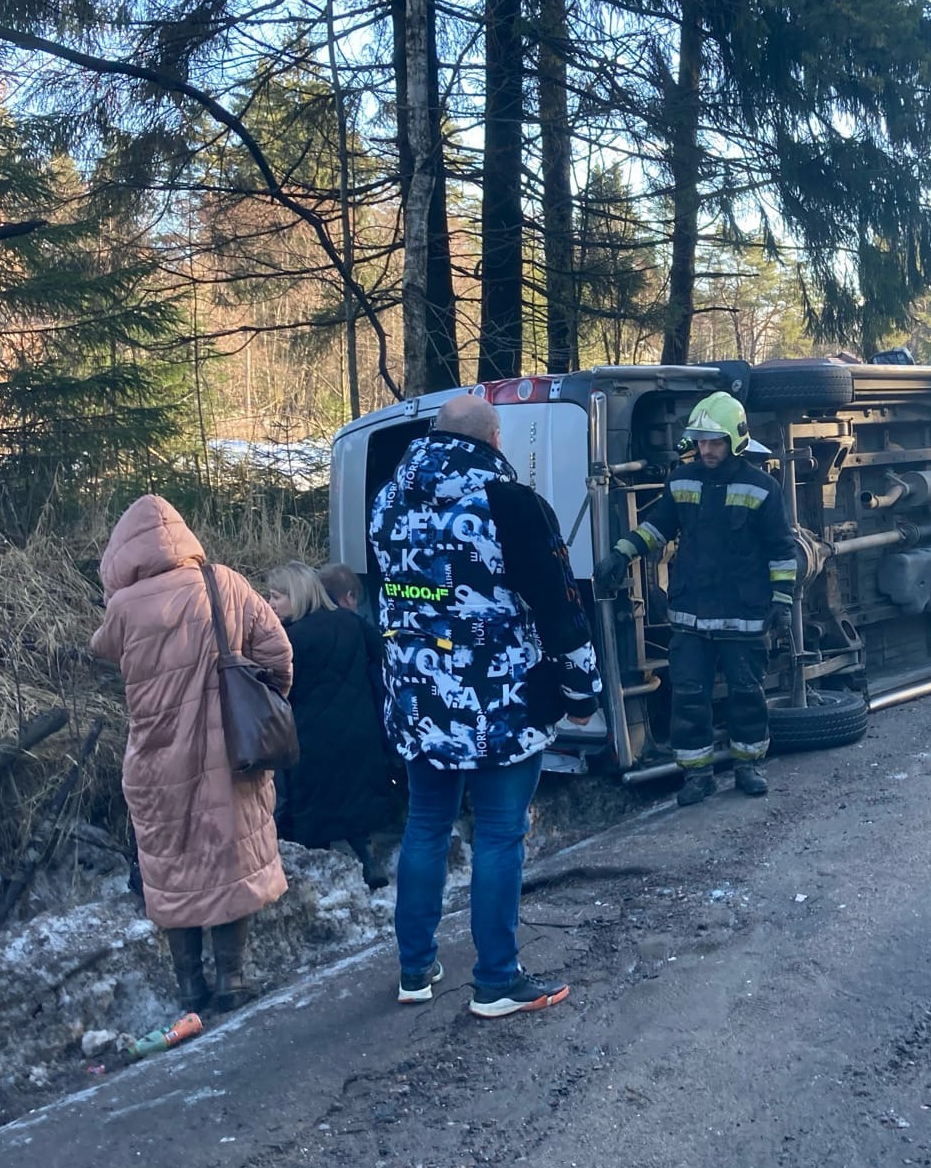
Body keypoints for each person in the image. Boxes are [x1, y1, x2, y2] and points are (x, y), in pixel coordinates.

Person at [369, 395, 600, 1018]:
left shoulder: (388, 501)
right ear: (494, 440)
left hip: (420, 700)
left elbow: (398, 592)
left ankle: (415, 970)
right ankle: (496, 980)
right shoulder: (512, 504)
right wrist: (582, 692)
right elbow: (560, 606)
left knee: (426, 826)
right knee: (500, 835)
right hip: (501, 702)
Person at [91, 496, 293, 1014]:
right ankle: (233, 979)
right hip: (229, 747)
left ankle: (189, 986)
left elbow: (102, 649)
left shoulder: (123, 607)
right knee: (230, 857)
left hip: (156, 756)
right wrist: (261, 698)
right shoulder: (223, 582)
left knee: (172, 866)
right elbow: (278, 651)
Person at [593, 392, 796, 807]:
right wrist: (622, 552)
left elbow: (781, 549)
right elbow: (658, 527)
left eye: (714, 442)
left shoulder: (762, 488)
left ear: (736, 439)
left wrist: (783, 600)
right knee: (688, 696)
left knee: (746, 694)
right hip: (690, 615)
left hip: (743, 615)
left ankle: (747, 766)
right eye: (700, 441)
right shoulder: (681, 480)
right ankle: (697, 774)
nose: (705, 449)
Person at [263, 562, 397, 890]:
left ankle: (324, 885)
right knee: (354, 804)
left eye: (276, 596)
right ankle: (367, 861)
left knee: (314, 815)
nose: (270, 604)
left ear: (296, 595)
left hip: (312, 742)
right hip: (359, 734)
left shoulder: (288, 640)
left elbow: (271, 689)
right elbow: (382, 654)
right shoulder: (350, 623)